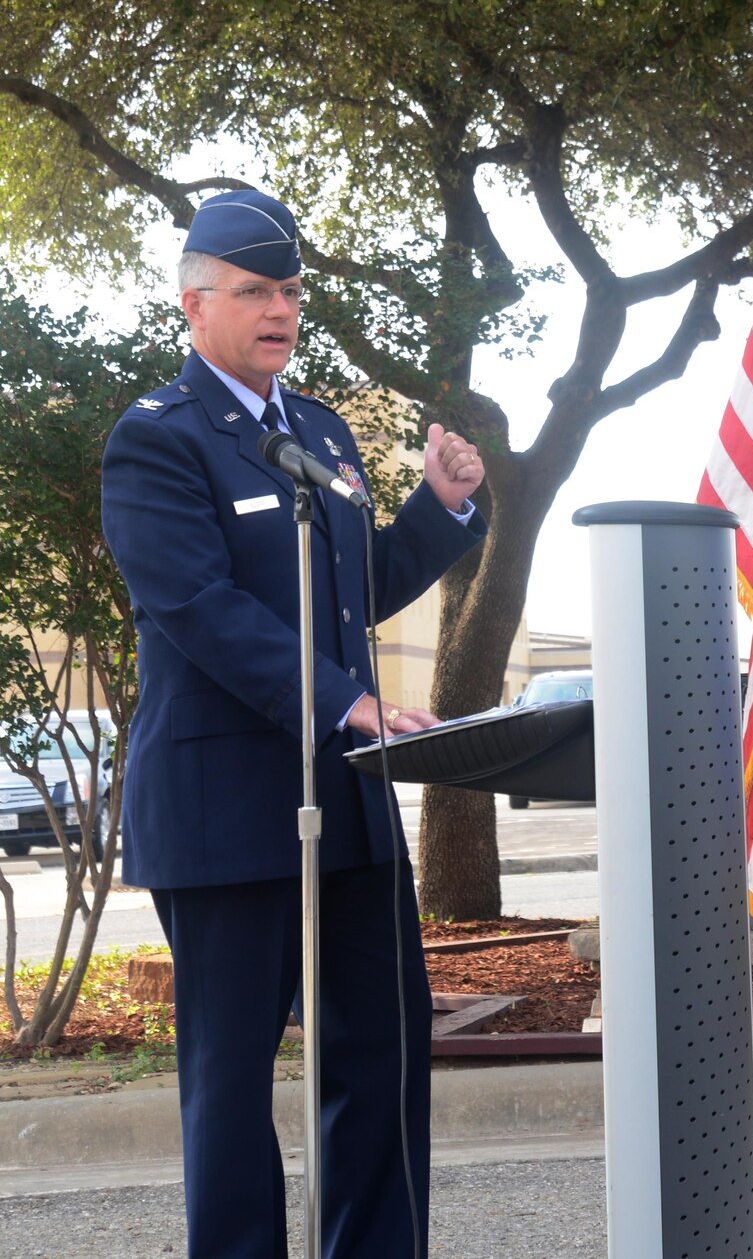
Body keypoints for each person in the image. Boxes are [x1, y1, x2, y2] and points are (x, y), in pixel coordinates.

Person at [100, 189, 486, 1257]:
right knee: (231, 1086)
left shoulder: (316, 429)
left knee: (380, 1060)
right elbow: (199, 608)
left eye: (291, 292)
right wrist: (344, 699)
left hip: (347, 805)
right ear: (195, 304)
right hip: (228, 815)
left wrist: (438, 509)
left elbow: (354, 588)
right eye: (255, 290)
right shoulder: (158, 441)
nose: (280, 309)